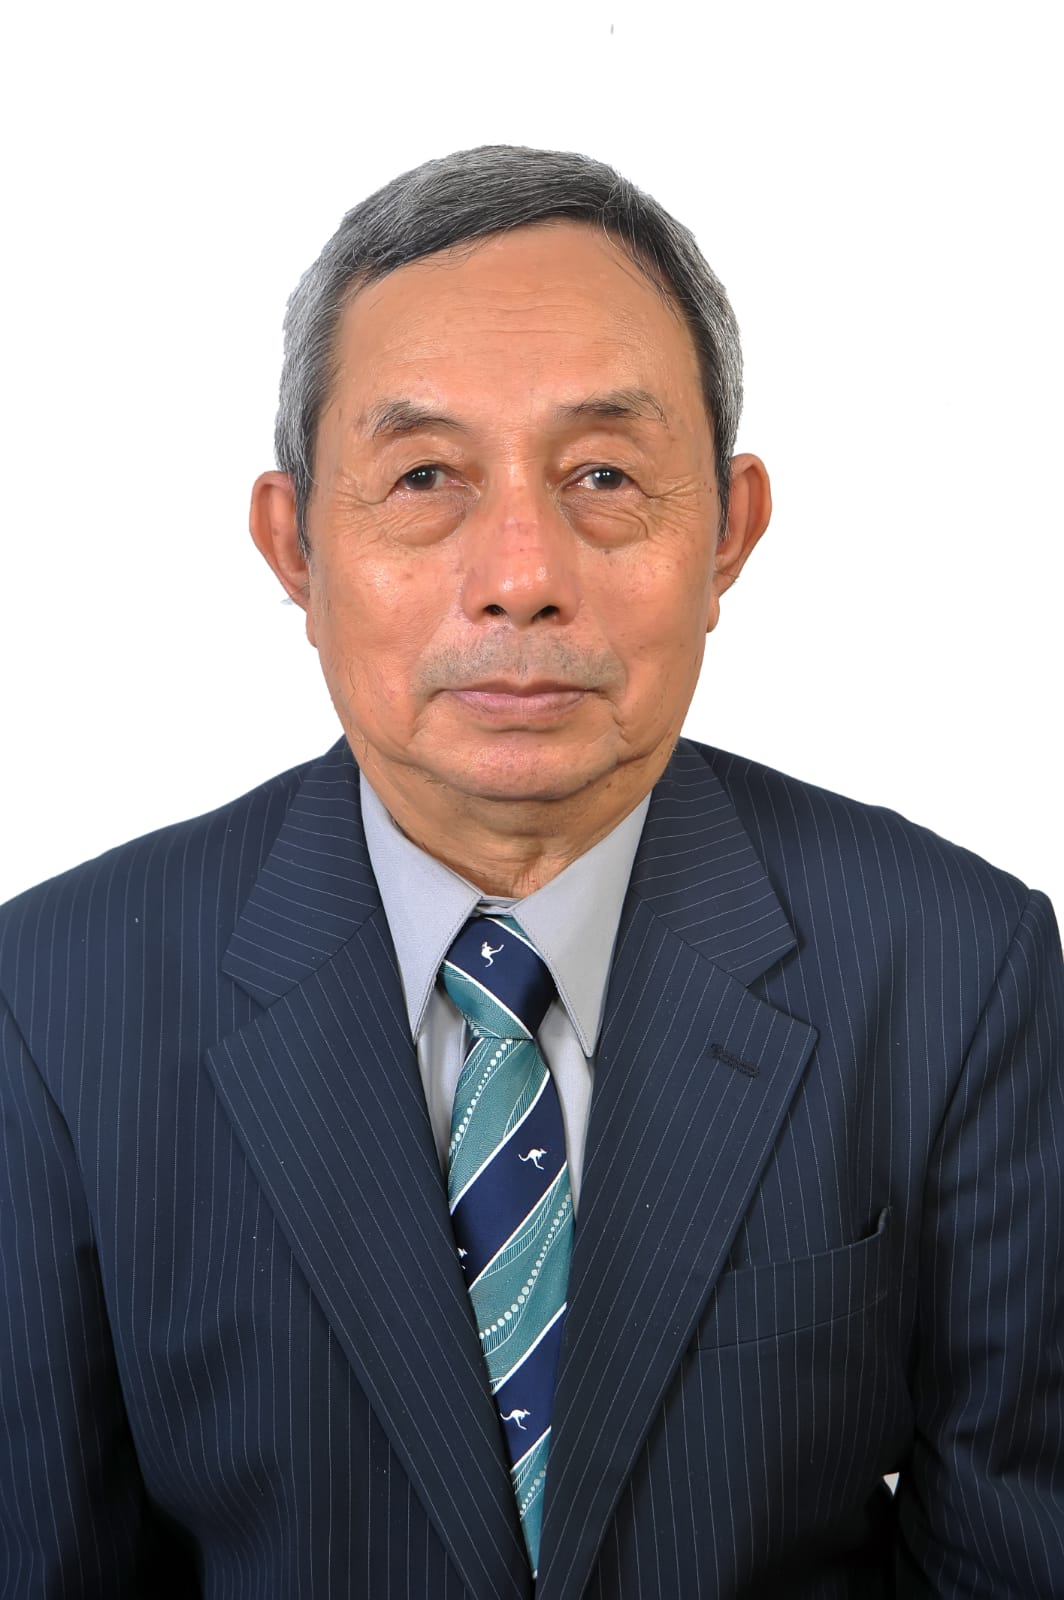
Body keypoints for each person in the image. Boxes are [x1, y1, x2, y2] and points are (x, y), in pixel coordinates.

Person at [1, 145, 1061, 1600]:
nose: (521, 575)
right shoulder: (57, 1004)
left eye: (604, 476)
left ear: (730, 531)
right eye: (424, 477)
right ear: (293, 546)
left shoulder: (956, 968)